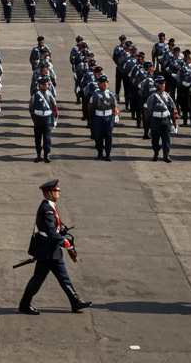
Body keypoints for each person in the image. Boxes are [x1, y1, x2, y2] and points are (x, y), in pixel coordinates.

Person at [18, 179, 92, 315]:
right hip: (47, 250)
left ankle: (75, 302)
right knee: (38, 278)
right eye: (57, 192)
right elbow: (50, 232)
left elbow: (51, 228)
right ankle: (24, 304)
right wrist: (64, 242)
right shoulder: (47, 209)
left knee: (63, 277)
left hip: (52, 250)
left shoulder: (49, 206)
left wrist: (61, 232)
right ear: (51, 193)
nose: (59, 194)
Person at [144, 74, 177, 162]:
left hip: (165, 120)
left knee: (166, 138)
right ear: (156, 85)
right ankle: (156, 153)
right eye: (160, 83)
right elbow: (148, 109)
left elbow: (173, 108)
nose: (162, 85)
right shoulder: (153, 97)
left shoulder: (167, 96)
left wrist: (174, 122)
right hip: (156, 119)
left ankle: (166, 155)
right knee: (155, 138)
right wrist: (148, 123)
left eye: (163, 83)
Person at [29, 74, 57, 163]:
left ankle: (46, 155)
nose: (45, 86)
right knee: (38, 138)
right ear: (40, 85)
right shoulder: (35, 95)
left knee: (47, 138)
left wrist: (54, 118)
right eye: (44, 84)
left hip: (47, 118)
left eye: (46, 84)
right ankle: (38, 155)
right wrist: (34, 119)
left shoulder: (49, 94)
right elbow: (31, 108)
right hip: (38, 119)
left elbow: (54, 106)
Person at [90, 74, 119, 160]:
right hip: (98, 117)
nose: (104, 84)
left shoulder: (110, 95)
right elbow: (91, 107)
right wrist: (91, 119)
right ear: (99, 84)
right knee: (98, 136)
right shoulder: (95, 94)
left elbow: (114, 107)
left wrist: (115, 118)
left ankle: (108, 154)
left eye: (105, 82)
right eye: (102, 83)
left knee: (108, 136)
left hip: (108, 117)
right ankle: (100, 153)